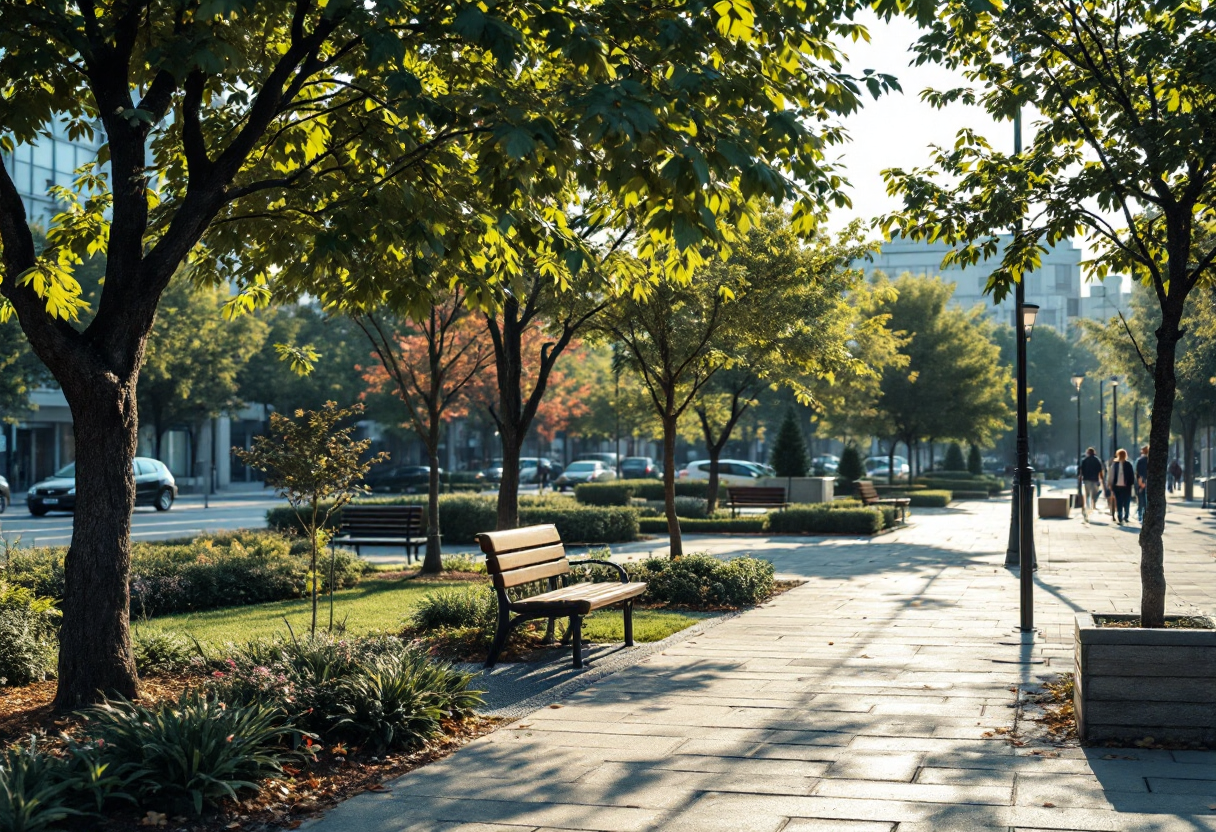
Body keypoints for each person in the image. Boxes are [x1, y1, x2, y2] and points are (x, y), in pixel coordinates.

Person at [1107, 448, 1135, 525]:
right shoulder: (1120, 464)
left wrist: (1110, 484)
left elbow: (1111, 476)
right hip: (1122, 486)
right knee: (1125, 501)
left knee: (1121, 501)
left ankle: (1122, 515)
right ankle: (1124, 516)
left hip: (1121, 486)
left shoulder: (1118, 464)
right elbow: (1132, 476)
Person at [1078, 447, 1105, 512]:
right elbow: (1100, 471)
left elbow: (1081, 470)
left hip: (1087, 479)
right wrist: (1102, 479)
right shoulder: (1097, 460)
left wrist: (1080, 478)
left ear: (1088, 453)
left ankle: (1088, 506)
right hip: (1095, 479)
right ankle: (1094, 505)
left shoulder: (1085, 460)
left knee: (1087, 493)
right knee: (1095, 494)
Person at [1135, 446, 1149, 523]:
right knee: (1147, 501)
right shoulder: (1152, 460)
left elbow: (1138, 473)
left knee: (1141, 500)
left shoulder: (1140, 460)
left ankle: (1140, 515)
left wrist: (1141, 483)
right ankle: (1145, 515)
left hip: (1142, 483)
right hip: (1149, 483)